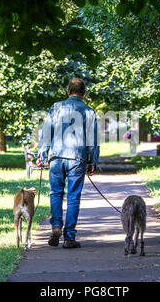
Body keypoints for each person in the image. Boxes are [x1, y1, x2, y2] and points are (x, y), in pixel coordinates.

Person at [36, 78, 99, 249]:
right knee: (73, 197)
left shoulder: (55, 107)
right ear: (84, 93)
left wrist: (42, 153)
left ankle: (56, 225)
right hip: (77, 159)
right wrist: (93, 160)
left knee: (55, 193)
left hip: (56, 157)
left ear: (68, 91)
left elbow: (46, 132)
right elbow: (92, 140)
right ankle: (69, 237)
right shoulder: (89, 111)